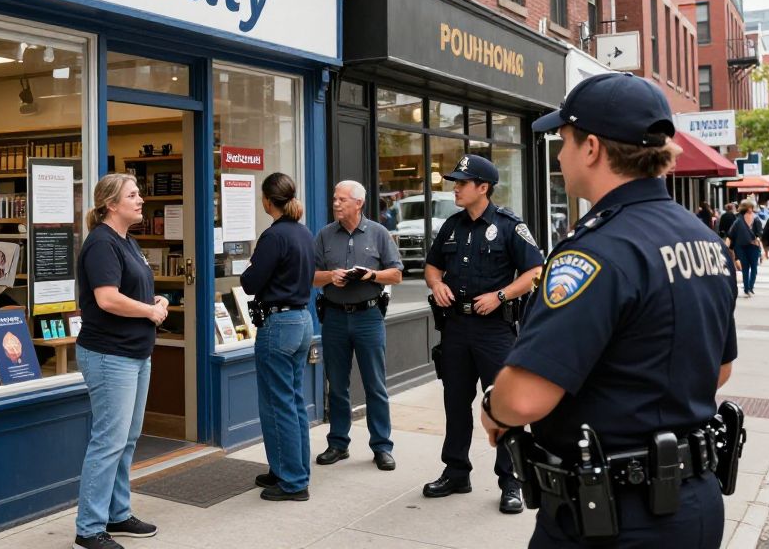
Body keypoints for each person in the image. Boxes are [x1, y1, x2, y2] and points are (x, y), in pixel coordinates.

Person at [481, 72, 738, 548]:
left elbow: (523, 400)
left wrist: (493, 405)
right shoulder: (704, 239)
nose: (559, 156)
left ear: (593, 148)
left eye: (564, 141)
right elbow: (718, 370)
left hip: (612, 516)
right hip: (693, 506)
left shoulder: (595, 252)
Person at [422, 155, 543, 514]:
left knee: (503, 407)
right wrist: (436, 282)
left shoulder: (508, 225)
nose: (455, 187)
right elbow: (431, 265)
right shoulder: (452, 226)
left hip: (495, 331)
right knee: (455, 404)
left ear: (483, 188)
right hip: (456, 329)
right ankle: (456, 471)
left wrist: (501, 295)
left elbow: (534, 271)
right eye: (455, 181)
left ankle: (511, 482)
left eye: (462, 182)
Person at [73, 173, 169, 549]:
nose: (141, 199)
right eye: (133, 194)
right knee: (108, 442)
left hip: (134, 353)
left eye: (140, 193)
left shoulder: (128, 241)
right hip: (109, 355)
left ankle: (117, 513)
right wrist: (149, 310)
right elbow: (107, 299)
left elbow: (135, 290)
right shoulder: (101, 244)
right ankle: (89, 528)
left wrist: (155, 303)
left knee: (126, 440)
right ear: (111, 204)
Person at [313, 180, 403, 471]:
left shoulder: (378, 233)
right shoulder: (325, 235)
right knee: (337, 385)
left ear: (358, 203)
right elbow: (311, 276)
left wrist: (370, 276)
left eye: (342, 199)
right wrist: (330, 276)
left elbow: (397, 275)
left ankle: (382, 446)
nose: (336, 204)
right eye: (334, 199)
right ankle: (338, 443)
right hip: (334, 317)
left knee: (375, 384)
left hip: (368, 317)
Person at [240, 173, 316, 501]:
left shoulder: (274, 236)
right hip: (301, 319)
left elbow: (250, 283)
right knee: (293, 401)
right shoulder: (303, 233)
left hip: (279, 324)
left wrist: (249, 268)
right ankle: (286, 468)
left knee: (277, 403)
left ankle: (293, 481)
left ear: (267, 200)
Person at [726, 200, 763, 297]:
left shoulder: (756, 219)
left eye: (751, 207)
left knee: (754, 268)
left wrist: (758, 238)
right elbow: (731, 234)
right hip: (741, 247)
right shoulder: (738, 220)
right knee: (745, 268)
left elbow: (760, 232)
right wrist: (727, 246)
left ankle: (751, 286)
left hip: (754, 247)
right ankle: (747, 289)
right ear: (745, 208)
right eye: (749, 207)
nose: (751, 209)